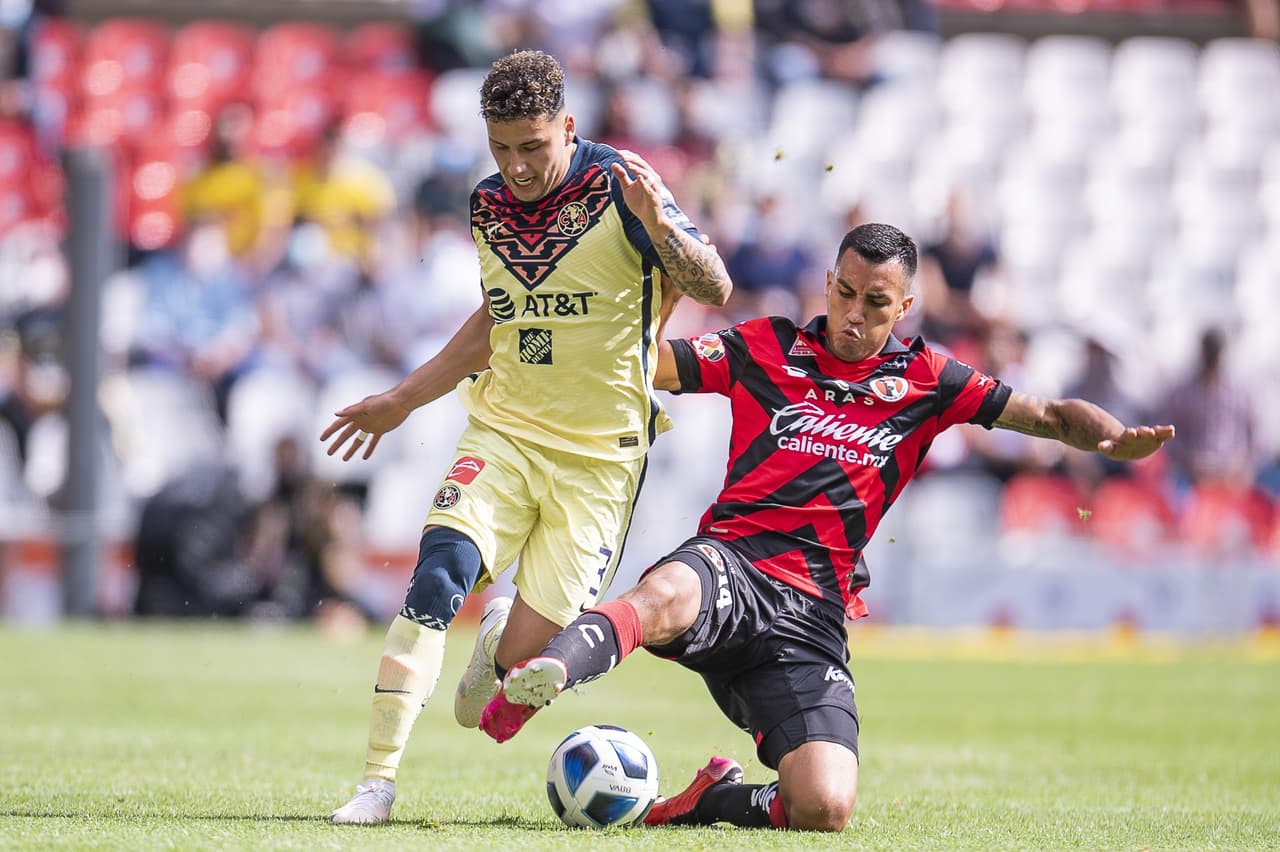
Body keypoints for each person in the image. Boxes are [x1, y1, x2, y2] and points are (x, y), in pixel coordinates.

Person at [477, 223, 1175, 831]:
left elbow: (1048, 416)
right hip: (734, 562)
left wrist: (1112, 439)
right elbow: (647, 369)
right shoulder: (766, 347)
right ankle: (545, 679)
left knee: (825, 808)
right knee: (665, 594)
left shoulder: (930, 379)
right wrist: (666, 295)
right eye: (843, 292)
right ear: (828, 282)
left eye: (874, 303)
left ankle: (704, 802)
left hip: (812, 613)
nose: (852, 314)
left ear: (904, 307)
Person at [321, 49, 732, 824]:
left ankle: (499, 646)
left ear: (567, 128)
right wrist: (402, 400)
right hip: (504, 430)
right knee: (437, 579)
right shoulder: (486, 206)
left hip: (599, 460)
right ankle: (376, 783)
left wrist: (655, 226)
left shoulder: (622, 186)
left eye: (533, 147)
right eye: (501, 148)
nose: (517, 166)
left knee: (519, 666)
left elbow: (714, 283)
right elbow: (496, 321)